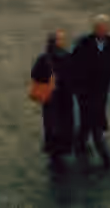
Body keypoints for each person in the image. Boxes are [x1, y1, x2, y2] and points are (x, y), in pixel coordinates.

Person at [70, 14, 110, 170]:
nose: (105, 31)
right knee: (95, 127)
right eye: (102, 28)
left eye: (106, 28)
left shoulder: (109, 43)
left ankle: (79, 145)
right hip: (87, 94)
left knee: (86, 124)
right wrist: (80, 89)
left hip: (100, 93)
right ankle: (106, 161)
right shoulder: (84, 44)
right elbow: (75, 66)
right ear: (96, 29)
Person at [30, 30, 76, 175]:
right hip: (63, 97)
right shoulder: (68, 57)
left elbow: (35, 74)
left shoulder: (44, 58)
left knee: (52, 125)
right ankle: (60, 152)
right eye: (61, 39)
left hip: (51, 98)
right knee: (63, 124)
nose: (64, 41)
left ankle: (54, 153)